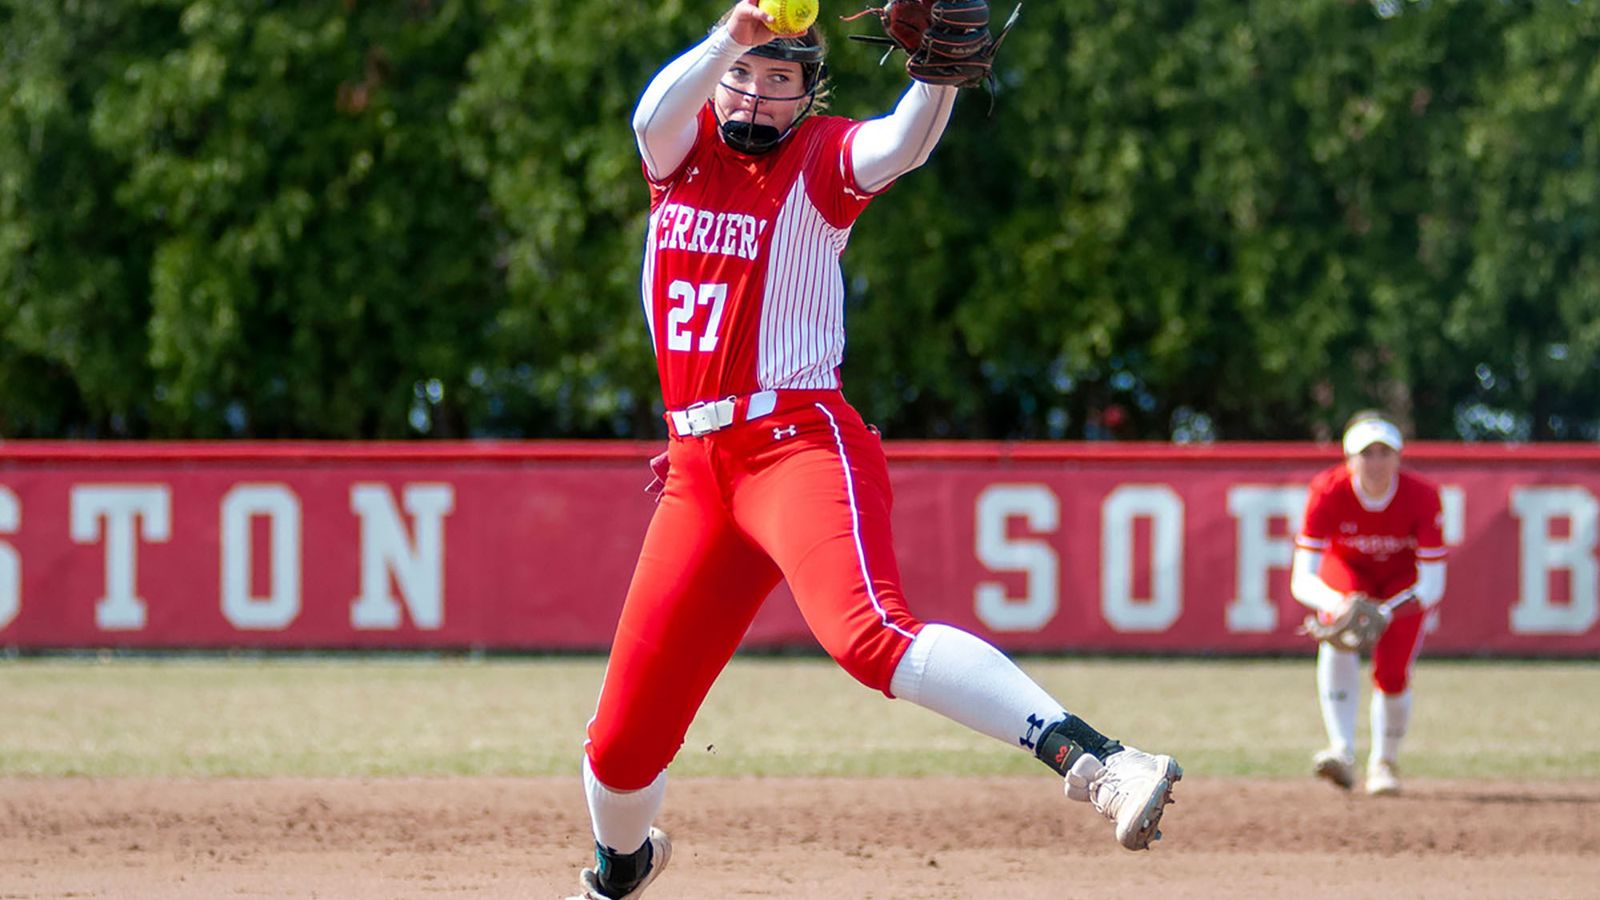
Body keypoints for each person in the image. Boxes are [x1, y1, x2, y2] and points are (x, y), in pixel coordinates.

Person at [566, 3, 1183, 897]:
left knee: (868, 635)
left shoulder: (818, 160)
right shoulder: (681, 152)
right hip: (697, 472)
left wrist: (935, 74)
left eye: (783, 79)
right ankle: (621, 867)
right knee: (618, 749)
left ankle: (1101, 761)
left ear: (809, 94)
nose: (759, 92)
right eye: (748, 73)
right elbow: (648, 115)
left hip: (795, 448)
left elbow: (900, 146)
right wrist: (727, 40)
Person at [1291, 411, 1447, 797]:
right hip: (1349, 572)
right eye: (1366, 453)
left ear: (1399, 457)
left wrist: (1385, 611)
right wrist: (1338, 602)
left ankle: (1384, 762)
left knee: (1393, 673)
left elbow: (1432, 583)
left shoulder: (1422, 495)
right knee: (1337, 635)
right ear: (1349, 459)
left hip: (1401, 582)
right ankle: (1341, 751)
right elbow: (1303, 578)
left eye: (1384, 452)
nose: (1375, 462)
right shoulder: (1327, 491)